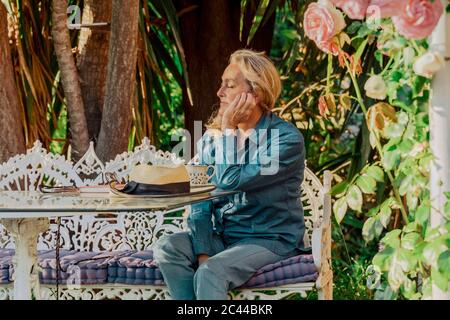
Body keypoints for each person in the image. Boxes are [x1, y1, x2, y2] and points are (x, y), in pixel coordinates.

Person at [153, 49, 306, 300]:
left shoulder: (285, 140)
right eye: (221, 84)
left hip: (270, 241)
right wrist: (203, 251)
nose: (219, 93)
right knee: (168, 248)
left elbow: (231, 181)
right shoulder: (211, 142)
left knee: (212, 271)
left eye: (229, 85)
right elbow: (199, 199)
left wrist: (228, 131)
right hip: (224, 239)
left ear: (255, 93)